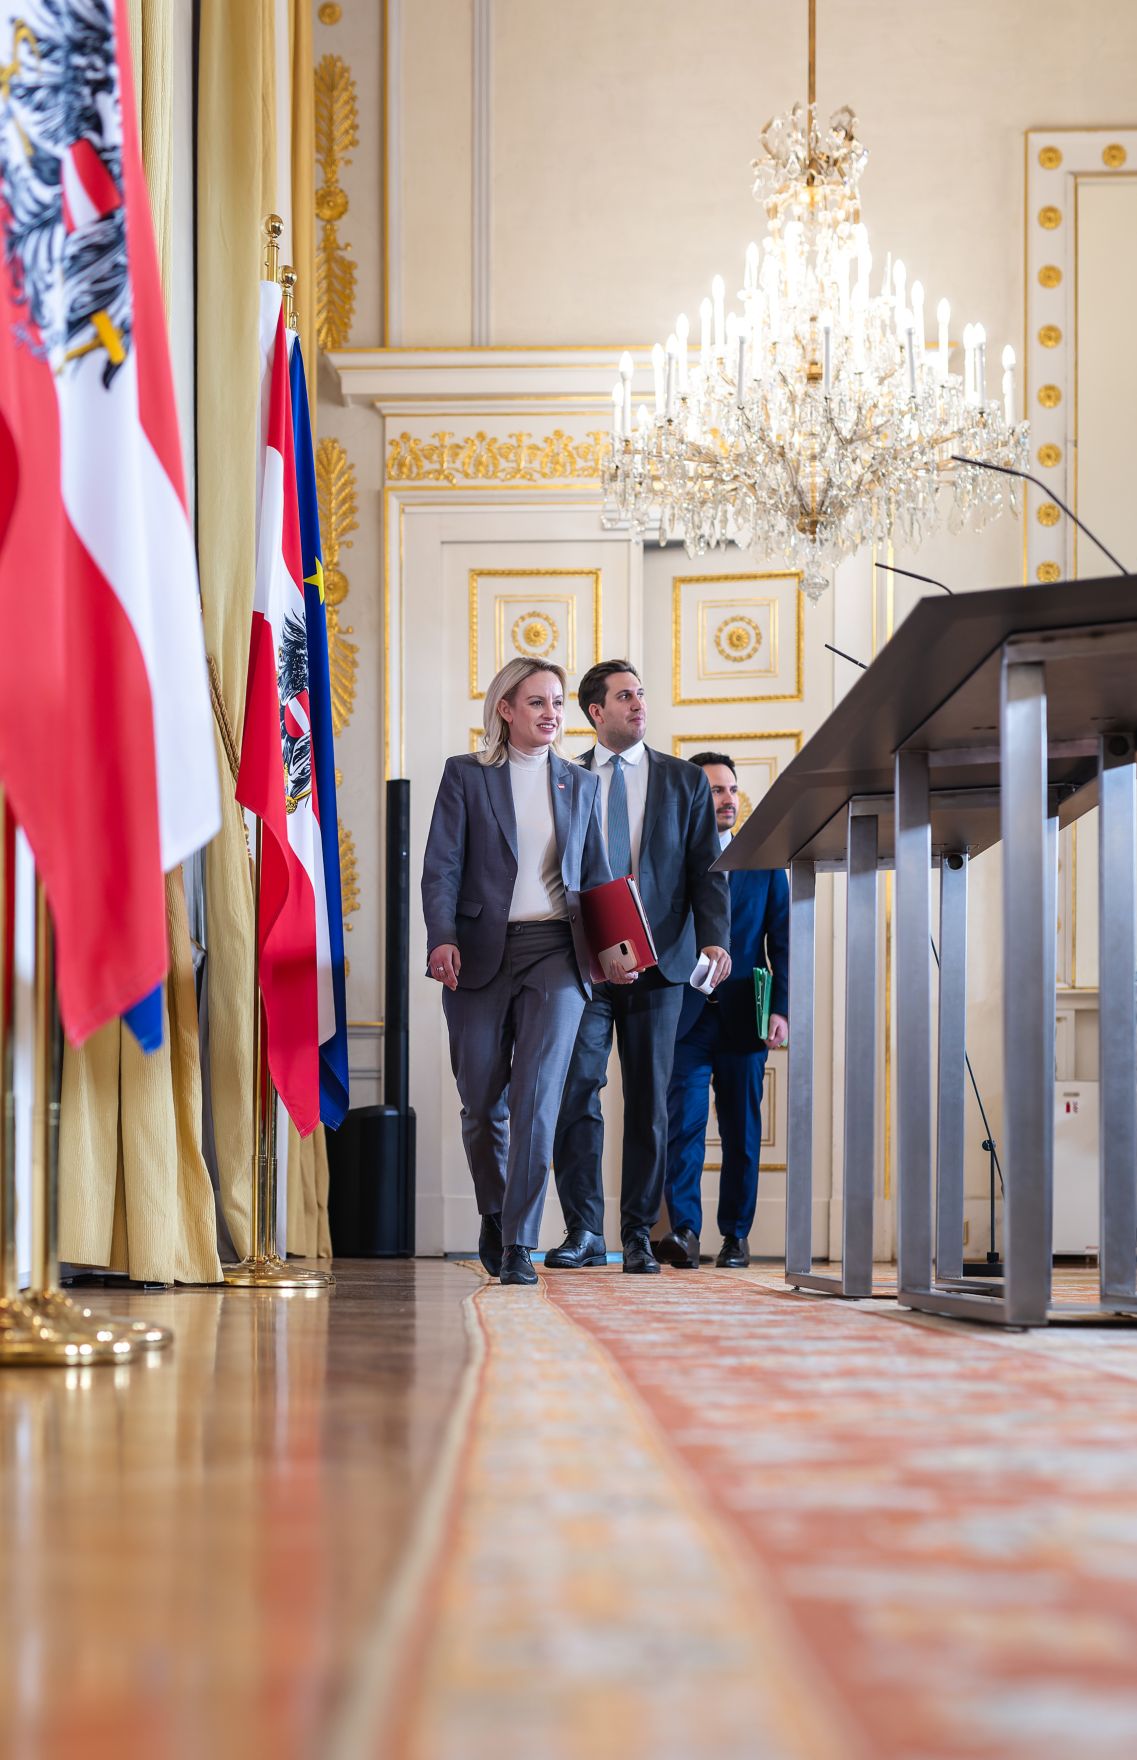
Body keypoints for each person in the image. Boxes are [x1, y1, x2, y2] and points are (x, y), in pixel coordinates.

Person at [421, 658, 615, 1286]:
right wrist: (442, 937)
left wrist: (618, 947)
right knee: (481, 1103)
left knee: (537, 1100)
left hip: (557, 952)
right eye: (537, 702)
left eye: (557, 702)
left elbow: (602, 876)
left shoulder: (581, 786)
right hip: (478, 952)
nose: (551, 713)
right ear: (505, 709)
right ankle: (495, 1210)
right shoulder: (466, 777)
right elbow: (441, 867)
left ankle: (518, 1245)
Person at [546, 661, 731, 1275]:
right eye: (625, 697)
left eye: (642, 694)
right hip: (589, 968)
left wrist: (716, 941)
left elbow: (708, 869)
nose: (639, 704)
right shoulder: (563, 778)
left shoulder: (683, 781)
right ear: (595, 712)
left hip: (665, 965)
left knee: (651, 1103)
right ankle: (583, 1232)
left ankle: (636, 1237)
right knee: (578, 1093)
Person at [657, 752, 789, 1270]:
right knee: (682, 1128)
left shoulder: (762, 863)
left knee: (742, 1133)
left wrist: (781, 1009)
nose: (728, 799)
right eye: (715, 790)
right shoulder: (668, 864)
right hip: (685, 1018)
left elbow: (782, 940)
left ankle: (736, 1236)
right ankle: (685, 1233)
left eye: (731, 789)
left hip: (743, 1019)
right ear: (692, 797)